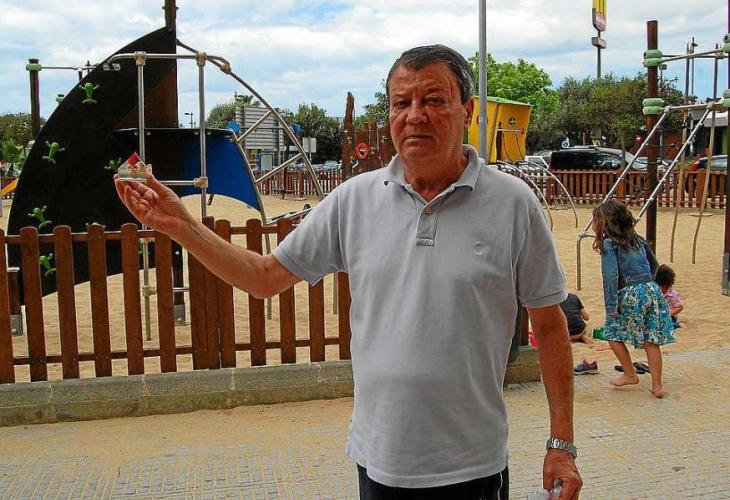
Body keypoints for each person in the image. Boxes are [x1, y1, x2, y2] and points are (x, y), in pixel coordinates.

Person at [115, 45, 581, 499]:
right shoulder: (354, 201)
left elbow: (549, 326)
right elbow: (263, 277)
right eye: (402, 102)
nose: (415, 115)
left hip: (472, 464)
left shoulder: (513, 204)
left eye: (434, 100)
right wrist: (181, 225)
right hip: (379, 460)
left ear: (468, 110)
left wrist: (561, 446)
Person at [592, 200, 675, 399]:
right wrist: (648, 283)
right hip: (650, 290)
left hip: (628, 292)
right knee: (651, 340)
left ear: (605, 223)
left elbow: (611, 276)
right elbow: (654, 265)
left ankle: (630, 373)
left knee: (612, 334)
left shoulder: (609, 244)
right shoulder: (638, 239)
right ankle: (657, 386)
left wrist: (611, 305)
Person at [655, 264, 683, 328]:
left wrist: (668, 314)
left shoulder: (672, 294)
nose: (661, 289)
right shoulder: (655, 292)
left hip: (670, 317)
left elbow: (679, 307)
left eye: (664, 287)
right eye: (659, 286)